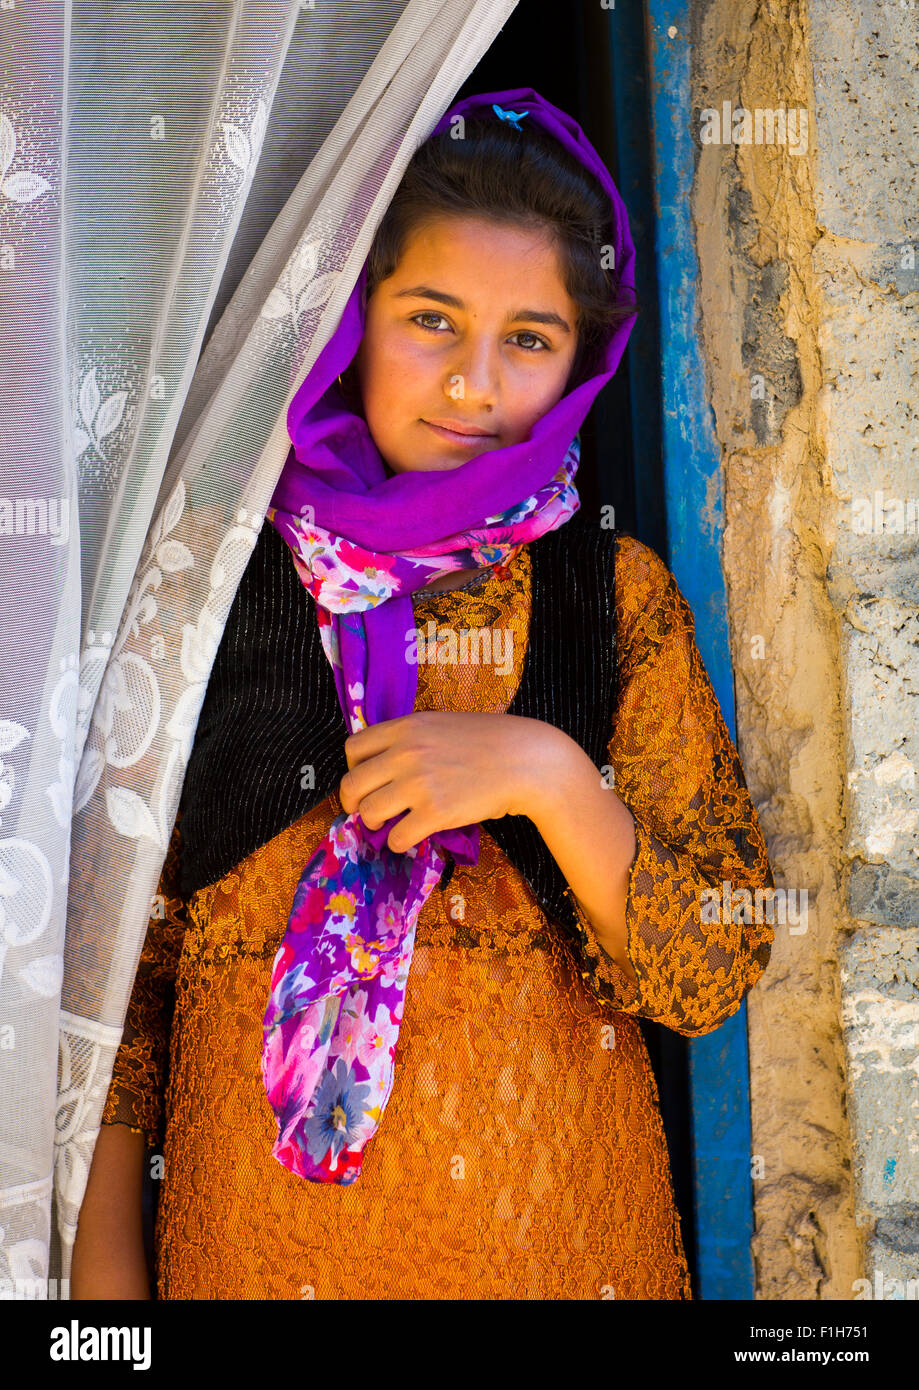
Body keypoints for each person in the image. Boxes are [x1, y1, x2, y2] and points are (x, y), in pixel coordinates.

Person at [71, 88, 775, 1300]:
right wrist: (102, 1309)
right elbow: (116, 994)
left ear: (579, 360)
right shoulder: (214, 584)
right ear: (352, 319)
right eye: (431, 321)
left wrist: (547, 776)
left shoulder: (608, 597)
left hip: (558, 1253)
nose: (472, 382)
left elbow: (706, 969)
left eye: (529, 338)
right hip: (248, 1258)